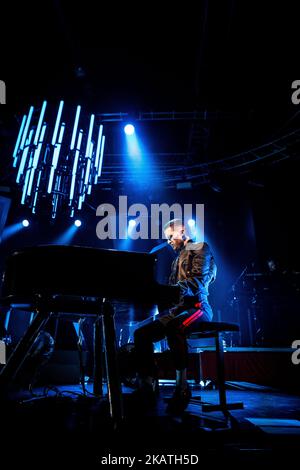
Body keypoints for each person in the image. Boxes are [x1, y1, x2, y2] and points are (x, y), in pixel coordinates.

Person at [134, 218, 217, 413]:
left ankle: (182, 387)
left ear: (183, 232)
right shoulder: (176, 258)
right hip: (177, 310)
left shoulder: (200, 247)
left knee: (175, 327)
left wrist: (170, 291)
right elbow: (172, 291)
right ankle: (148, 386)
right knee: (141, 334)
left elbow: (198, 280)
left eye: (171, 237)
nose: (169, 241)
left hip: (198, 308)